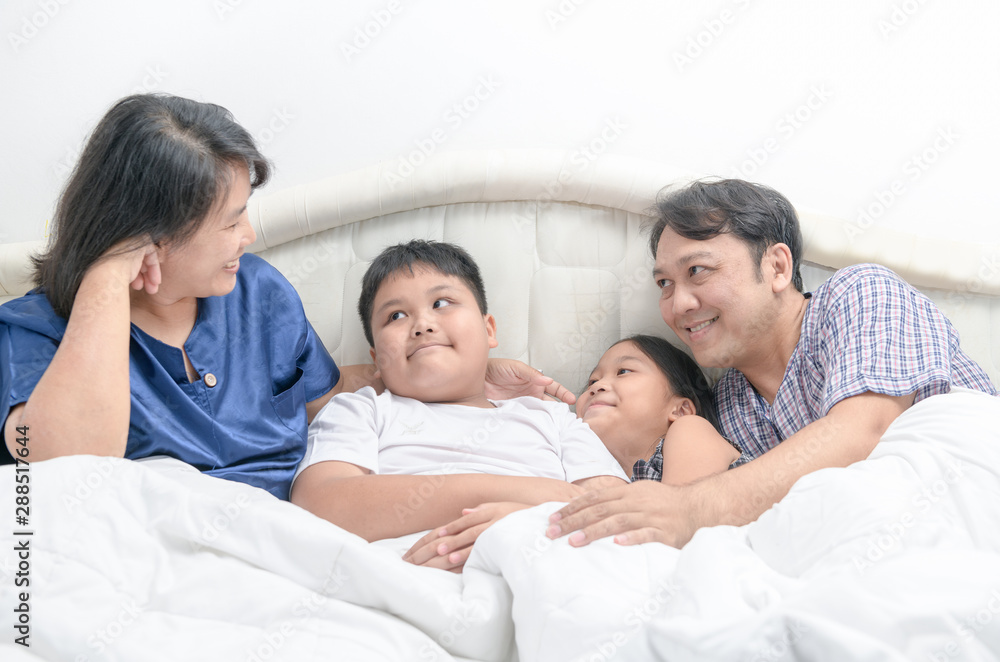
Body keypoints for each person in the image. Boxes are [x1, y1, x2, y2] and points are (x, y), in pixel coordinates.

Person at [0, 93, 565, 501]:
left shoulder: (256, 291)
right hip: (153, 540)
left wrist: (473, 372)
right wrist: (105, 276)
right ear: (151, 233)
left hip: (283, 538)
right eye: (230, 221)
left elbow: (323, 393)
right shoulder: (32, 330)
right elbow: (60, 465)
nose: (246, 238)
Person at [544, 178, 998, 549]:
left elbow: (866, 430)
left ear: (778, 268)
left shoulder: (858, 293)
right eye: (665, 282)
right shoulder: (728, 405)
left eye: (697, 271)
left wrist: (688, 508)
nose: (678, 303)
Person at [290, 240, 628, 546]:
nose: (422, 324)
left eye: (441, 302)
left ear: (488, 329)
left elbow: (615, 507)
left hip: (540, 550)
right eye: (396, 315)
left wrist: (519, 517)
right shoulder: (361, 410)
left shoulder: (550, 417)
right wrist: (521, 492)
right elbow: (319, 503)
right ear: (377, 359)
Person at [577, 334, 738, 486]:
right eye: (592, 381)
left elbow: (683, 508)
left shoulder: (690, 430)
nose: (597, 386)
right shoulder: (586, 469)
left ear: (680, 410)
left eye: (623, 372)